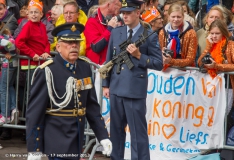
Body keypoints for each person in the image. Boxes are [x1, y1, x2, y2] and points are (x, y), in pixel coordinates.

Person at [26, 22, 112, 160]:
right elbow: (35, 113)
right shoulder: (47, 71)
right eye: (69, 43)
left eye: (76, 43)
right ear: (58, 47)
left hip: (76, 140)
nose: (74, 46)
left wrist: (103, 136)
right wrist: (34, 149)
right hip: (56, 141)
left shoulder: (84, 68)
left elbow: (91, 107)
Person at [102, 0, 163, 159]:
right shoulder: (117, 32)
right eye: (123, 12)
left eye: (129, 12)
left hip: (135, 90)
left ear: (138, 12)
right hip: (116, 88)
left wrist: (139, 56)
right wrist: (105, 84)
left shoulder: (149, 35)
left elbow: (158, 63)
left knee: (138, 134)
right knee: (115, 131)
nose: (125, 15)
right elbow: (109, 60)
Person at [197, 19, 234, 137]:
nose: (214, 36)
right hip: (211, 86)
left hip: (227, 87)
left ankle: (219, 144)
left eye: (217, 33)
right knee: (210, 115)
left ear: (223, 33)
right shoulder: (210, 45)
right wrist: (208, 47)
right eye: (212, 33)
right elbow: (199, 63)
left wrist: (217, 66)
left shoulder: (232, 45)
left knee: (221, 115)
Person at [159, 3, 197, 69]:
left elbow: (190, 60)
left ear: (183, 16)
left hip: (185, 72)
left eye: (179, 17)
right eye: (173, 17)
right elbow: (158, 53)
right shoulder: (162, 32)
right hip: (166, 71)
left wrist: (171, 61)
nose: (176, 19)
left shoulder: (191, 33)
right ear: (168, 17)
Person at [84, 0, 121, 64]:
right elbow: (96, 47)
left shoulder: (118, 20)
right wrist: (109, 29)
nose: (119, 8)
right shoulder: (92, 22)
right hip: (98, 67)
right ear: (108, 5)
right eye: (116, 4)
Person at [0, 24, 18, 125]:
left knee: (3, 88)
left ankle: (5, 115)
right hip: (12, 64)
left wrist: (11, 53)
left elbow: (11, 44)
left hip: (8, 64)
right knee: (9, 86)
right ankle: (14, 109)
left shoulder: (2, 37)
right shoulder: (5, 34)